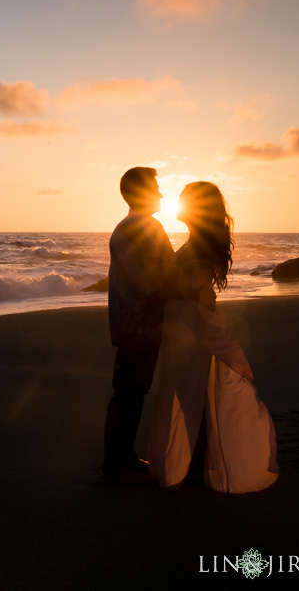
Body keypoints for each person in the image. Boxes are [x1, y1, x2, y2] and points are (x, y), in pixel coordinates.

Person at [147, 182, 278, 493]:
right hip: (187, 322)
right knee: (191, 391)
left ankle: (192, 464)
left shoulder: (201, 246)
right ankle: (194, 462)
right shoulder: (197, 241)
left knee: (189, 391)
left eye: (182, 199)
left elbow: (193, 289)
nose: (176, 203)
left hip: (195, 324)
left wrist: (157, 287)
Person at [103, 167, 174, 484]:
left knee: (135, 391)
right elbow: (148, 282)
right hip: (136, 324)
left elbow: (166, 270)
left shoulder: (149, 226)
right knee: (128, 390)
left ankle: (123, 457)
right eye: (155, 188)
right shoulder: (132, 230)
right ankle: (116, 463)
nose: (160, 194)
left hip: (145, 323)